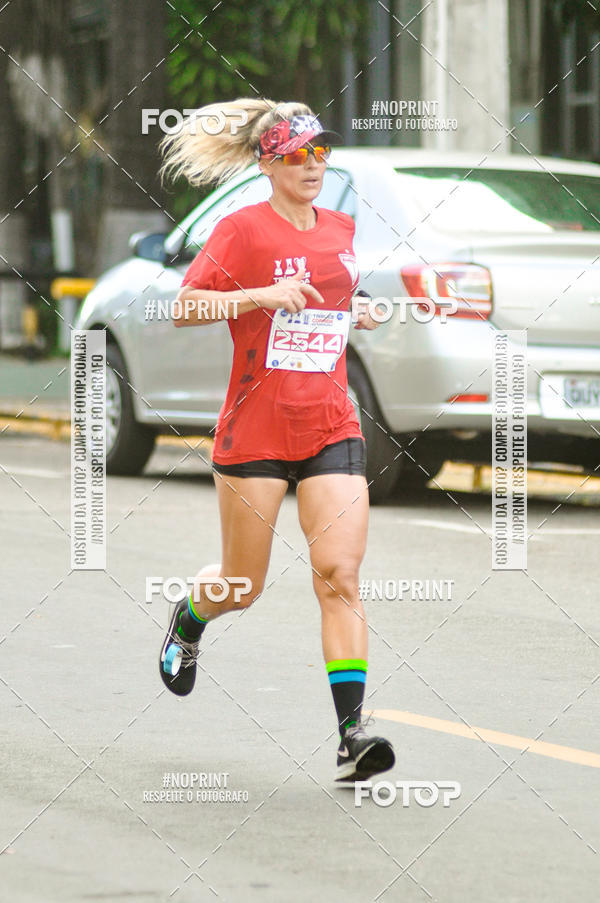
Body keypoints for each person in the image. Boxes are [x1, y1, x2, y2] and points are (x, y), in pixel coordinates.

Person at [157, 98, 394, 782]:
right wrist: (260, 294)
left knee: (340, 577)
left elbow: (335, 298)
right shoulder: (241, 231)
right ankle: (191, 615)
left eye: (319, 152)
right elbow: (184, 307)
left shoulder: (341, 226)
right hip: (254, 429)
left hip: (329, 424)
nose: (312, 166)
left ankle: (353, 736)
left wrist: (360, 312)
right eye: (296, 156)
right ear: (268, 163)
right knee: (242, 583)